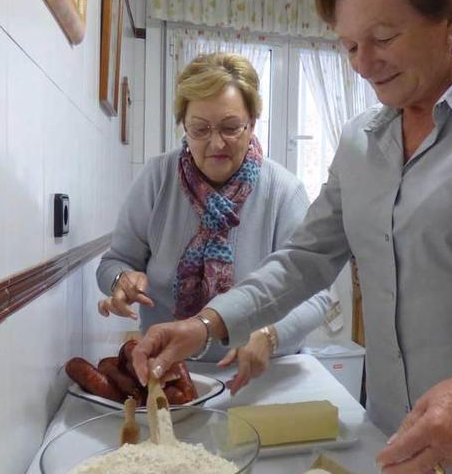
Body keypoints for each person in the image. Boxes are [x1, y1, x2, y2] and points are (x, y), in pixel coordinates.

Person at [130, 0, 452, 473]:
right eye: (348, 45)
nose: (362, 64)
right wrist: (205, 325)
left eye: (384, 38)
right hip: (393, 439)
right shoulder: (360, 142)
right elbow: (305, 260)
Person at [95, 52, 332, 395]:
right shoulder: (157, 179)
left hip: (262, 375)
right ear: (184, 126)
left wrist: (270, 334)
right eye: (200, 129)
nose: (216, 143)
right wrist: (122, 280)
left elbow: (316, 294)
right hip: (171, 374)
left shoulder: (283, 191)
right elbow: (112, 264)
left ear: (252, 122)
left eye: (231, 127)